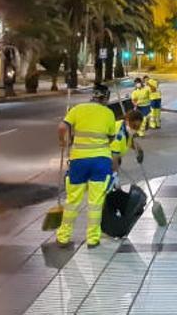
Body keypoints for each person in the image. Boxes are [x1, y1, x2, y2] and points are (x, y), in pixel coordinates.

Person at [56, 84, 117, 248]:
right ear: (105, 98)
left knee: (73, 200)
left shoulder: (77, 109)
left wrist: (64, 142)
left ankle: (63, 236)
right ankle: (92, 238)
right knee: (96, 202)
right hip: (101, 161)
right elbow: (111, 137)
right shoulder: (109, 113)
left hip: (79, 161)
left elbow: (62, 127)